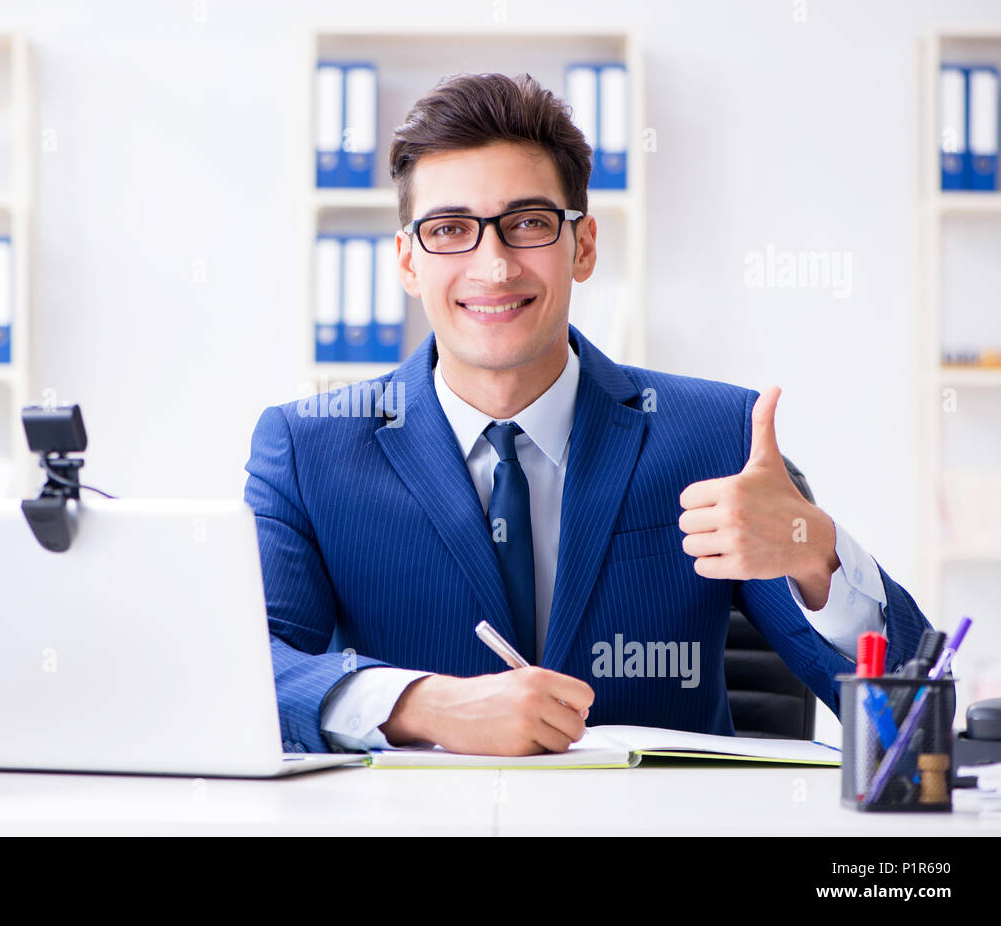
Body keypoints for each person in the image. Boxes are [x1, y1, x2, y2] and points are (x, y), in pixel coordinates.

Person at [243, 72, 931, 756]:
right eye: (450, 229)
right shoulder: (308, 449)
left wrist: (817, 550)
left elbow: (909, 722)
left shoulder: (716, 434)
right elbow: (249, 672)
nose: (494, 266)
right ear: (407, 261)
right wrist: (424, 704)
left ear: (584, 245)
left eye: (528, 224)